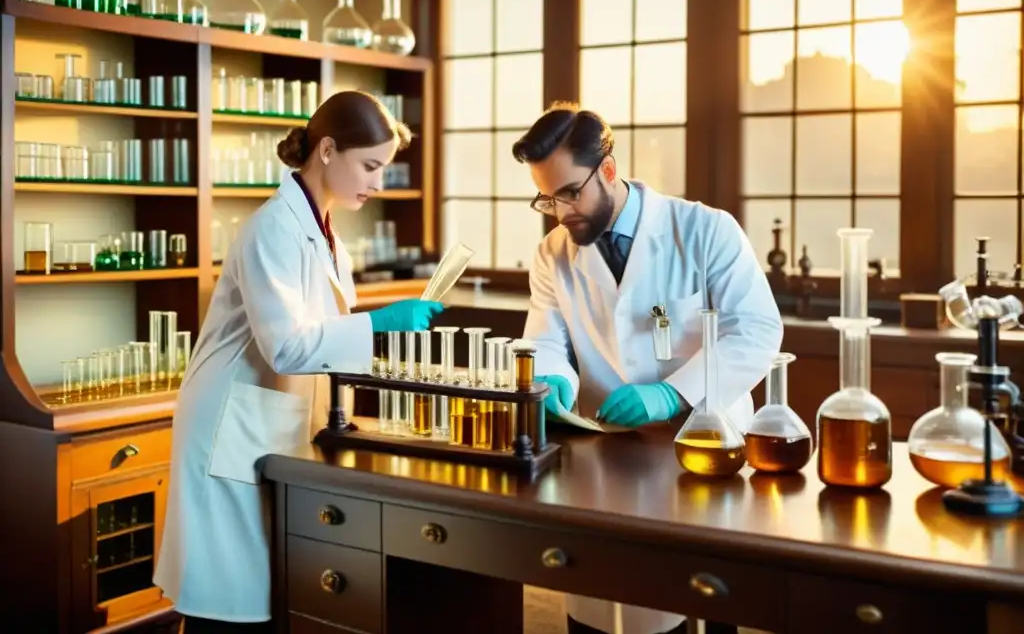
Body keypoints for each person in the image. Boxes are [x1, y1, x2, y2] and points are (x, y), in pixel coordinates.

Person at [154, 91, 444, 633]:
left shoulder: (329, 233)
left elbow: (324, 337)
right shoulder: (272, 228)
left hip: (270, 422)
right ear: (328, 150)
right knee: (227, 604)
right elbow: (286, 347)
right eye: (371, 166)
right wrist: (379, 324)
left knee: (266, 594)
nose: (378, 184)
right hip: (227, 424)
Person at [512, 102, 783, 634]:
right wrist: (555, 388)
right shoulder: (553, 254)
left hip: (702, 454)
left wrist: (671, 394)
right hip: (608, 458)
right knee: (599, 608)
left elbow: (755, 329)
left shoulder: (705, 230)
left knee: (699, 603)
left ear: (608, 170)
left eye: (570, 192)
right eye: (546, 198)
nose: (561, 211)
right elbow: (544, 340)